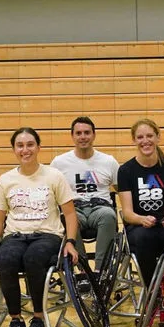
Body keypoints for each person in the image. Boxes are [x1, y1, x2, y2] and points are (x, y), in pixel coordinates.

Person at [0, 127, 80, 327]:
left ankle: (38, 319)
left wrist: (70, 242)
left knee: (34, 258)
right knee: (6, 258)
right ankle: (15, 320)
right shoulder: (6, 179)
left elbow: (70, 214)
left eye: (30, 145)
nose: (26, 150)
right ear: (14, 150)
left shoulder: (54, 176)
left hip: (47, 235)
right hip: (15, 235)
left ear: (38, 147)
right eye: (20, 146)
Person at [117, 119, 164, 286]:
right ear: (134, 140)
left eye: (149, 136)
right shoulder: (126, 171)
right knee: (144, 238)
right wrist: (141, 219)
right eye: (140, 137)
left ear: (158, 137)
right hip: (140, 228)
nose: (145, 141)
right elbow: (128, 213)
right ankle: (152, 291)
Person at [51, 116, 120, 271]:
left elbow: (122, 190)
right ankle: (84, 271)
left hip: (100, 208)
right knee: (67, 219)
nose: (83, 137)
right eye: (79, 133)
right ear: (72, 136)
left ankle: (101, 270)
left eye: (87, 133)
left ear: (94, 135)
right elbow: (52, 193)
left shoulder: (108, 161)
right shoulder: (59, 162)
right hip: (74, 209)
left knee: (109, 215)